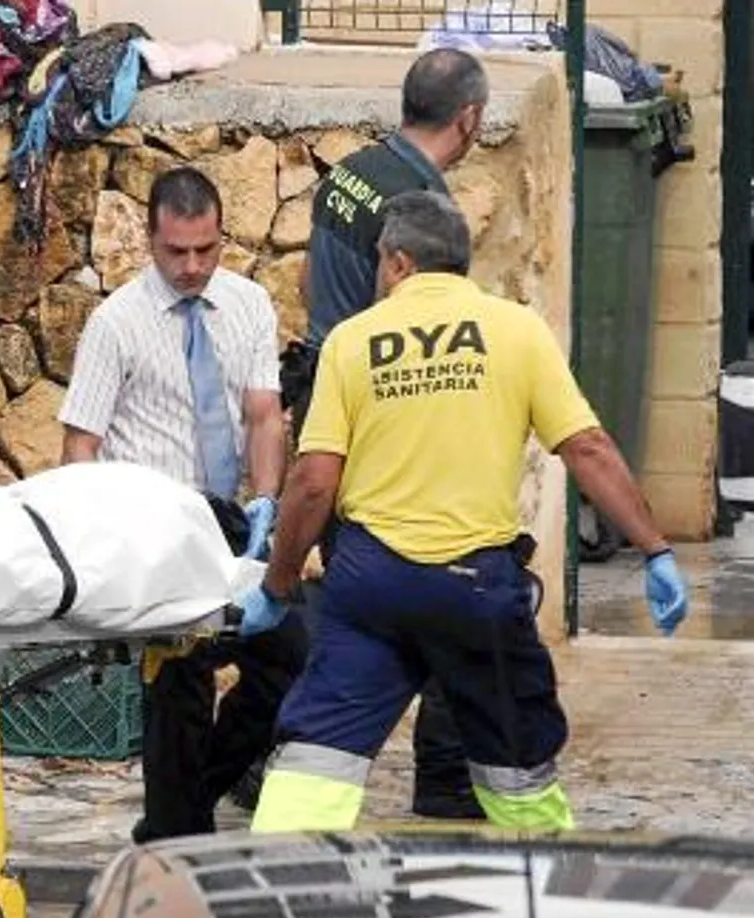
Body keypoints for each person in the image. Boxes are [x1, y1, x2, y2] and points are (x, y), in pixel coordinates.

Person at [239, 190, 688, 832]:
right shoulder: (517, 331)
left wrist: (278, 585)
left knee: (316, 758)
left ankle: (275, 894)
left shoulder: (351, 340)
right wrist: (656, 550)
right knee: (516, 761)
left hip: (372, 585)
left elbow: (313, 483)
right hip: (475, 588)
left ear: (396, 263)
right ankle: (545, 890)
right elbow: (586, 446)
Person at [57, 166, 308, 844]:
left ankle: (187, 806)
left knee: (294, 651)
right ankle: (175, 833)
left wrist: (267, 506)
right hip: (152, 526)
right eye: (177, 252)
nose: (193, 266)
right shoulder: (117, 325)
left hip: (226, 520)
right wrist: (94, 544)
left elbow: (263, 414)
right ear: (149, 240)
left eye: (206, 249)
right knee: (182, 684)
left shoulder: (249, 304)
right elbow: (80, 443)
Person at [286, 47, 492, 821]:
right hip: (380, 416)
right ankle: (441, 775)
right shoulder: (423, 205)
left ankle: (269, 755)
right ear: (468, 118)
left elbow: (310, 280)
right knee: (442, 586)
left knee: (349, 600)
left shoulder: (351, 172)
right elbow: (422, 329)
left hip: (323, 391)